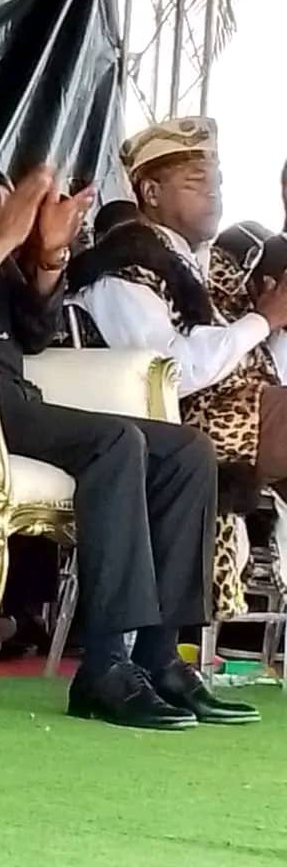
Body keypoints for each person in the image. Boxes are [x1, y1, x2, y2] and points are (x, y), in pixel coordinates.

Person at [0, 73, 258, 729]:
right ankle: (104, 667)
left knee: (185, 450)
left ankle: (161, 657)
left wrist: (50, 257)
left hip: (9, 393)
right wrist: (2, 240)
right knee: (117, 444)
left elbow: (30, 331)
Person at [69, 117, 287, 620]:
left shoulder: (218, 267)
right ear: (150, 191)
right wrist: (261, 320)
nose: (214, 194)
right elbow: (169, 373)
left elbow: (259, 368)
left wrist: (274, 328)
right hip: (176, 429)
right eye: (196, 182)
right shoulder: (126, 267)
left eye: (218, 182)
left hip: (247, 421)